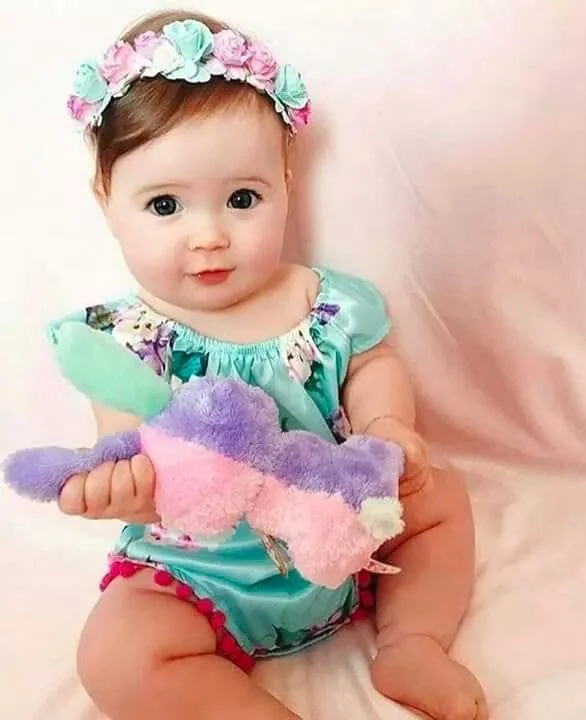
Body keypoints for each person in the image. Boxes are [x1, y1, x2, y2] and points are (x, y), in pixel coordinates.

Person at [54, 8, 487, 719]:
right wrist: (126, 488)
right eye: (164, 205)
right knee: (115, 652)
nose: (209, 236)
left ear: (286, 183)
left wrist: (387, 426)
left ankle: (411, 643)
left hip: (344, 527)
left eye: (242, 199)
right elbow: (128, 440)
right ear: (107, 203)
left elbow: (371, 364)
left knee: (441, 501)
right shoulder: (123, 339)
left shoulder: (324, 303)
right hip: (202, 567)